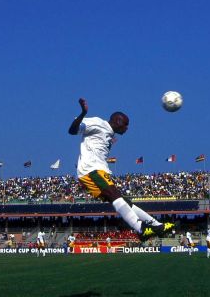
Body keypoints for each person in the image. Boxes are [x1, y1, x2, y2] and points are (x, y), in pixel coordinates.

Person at [68, 98, 174, 241]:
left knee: (123, 201)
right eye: (125, 124)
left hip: (98, 171)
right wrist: (83, 113)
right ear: (117, 121)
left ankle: (156, 225)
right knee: (115, 195)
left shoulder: (110, 134)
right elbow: (72, 130)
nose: (127, 128)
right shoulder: (99, 123)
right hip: (91, 170)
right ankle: (140, 229)